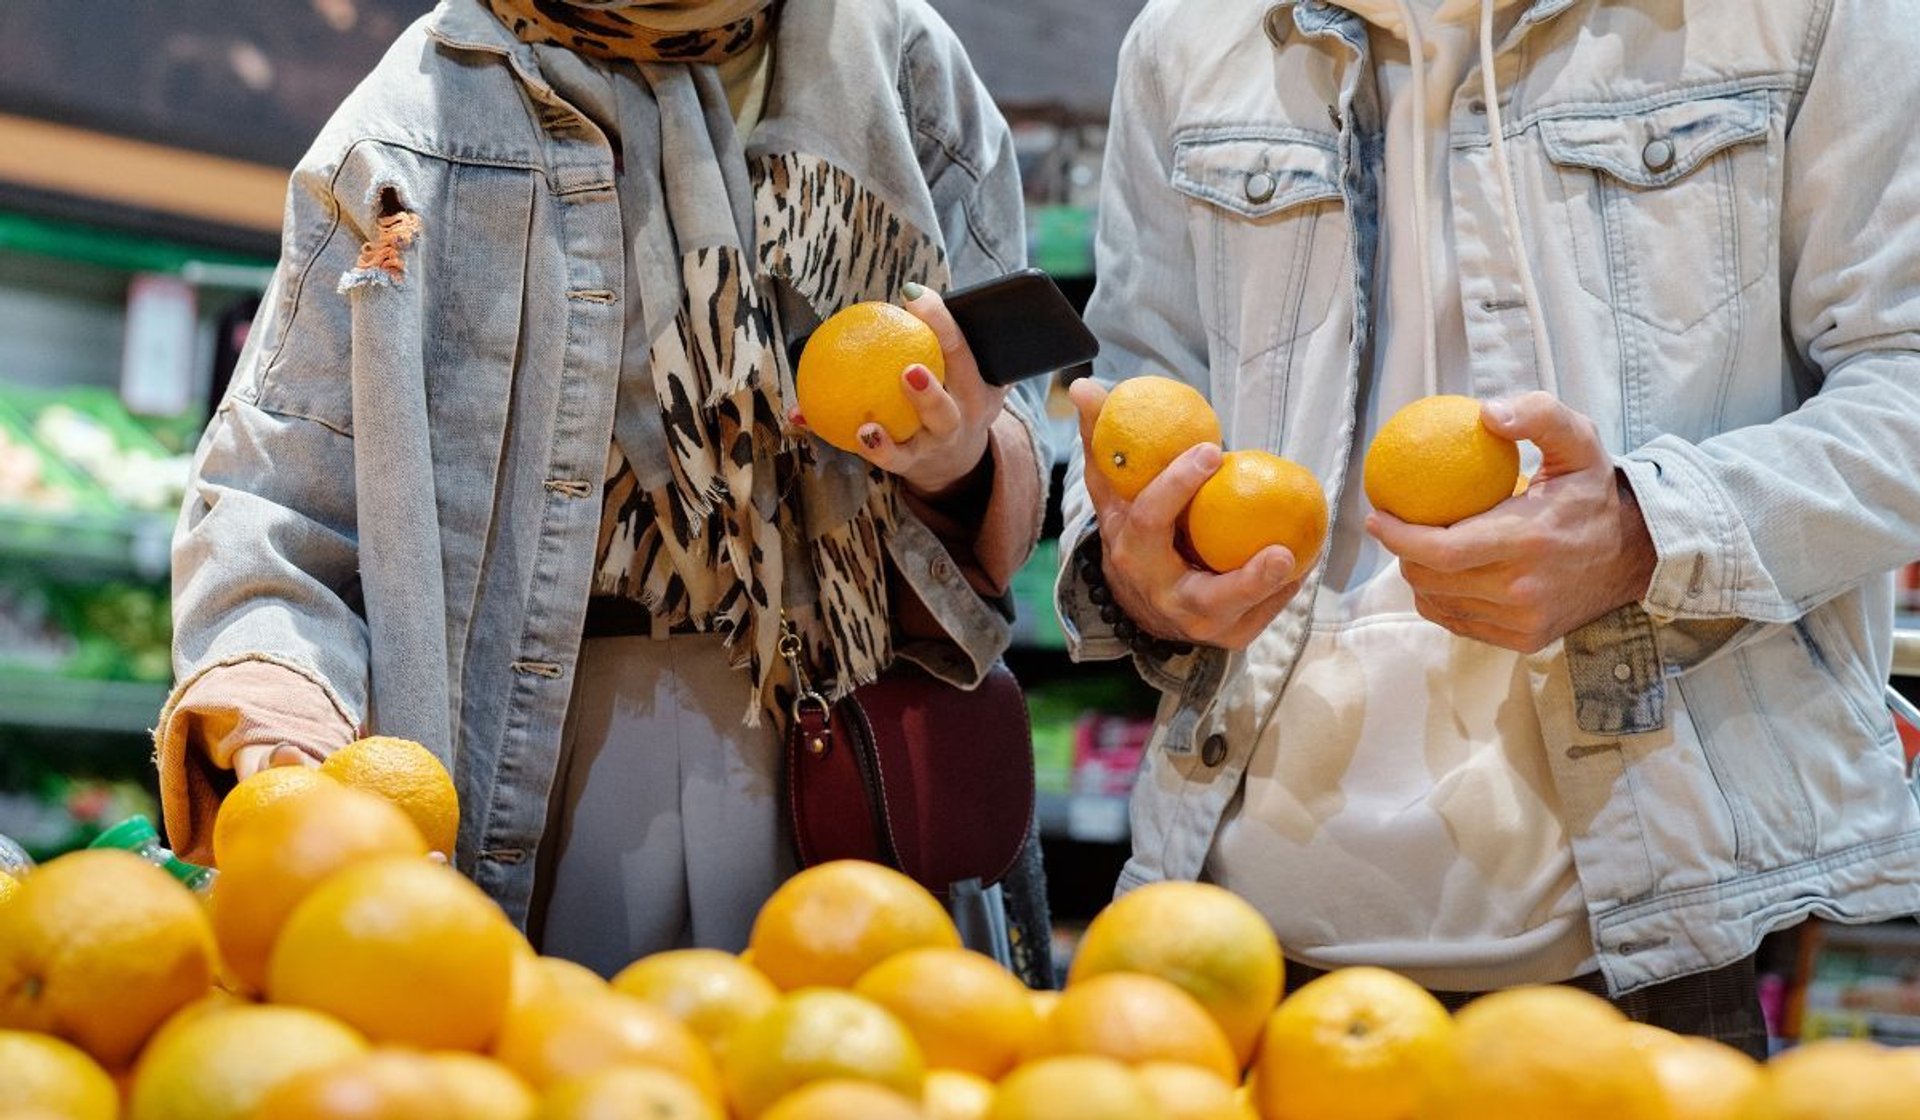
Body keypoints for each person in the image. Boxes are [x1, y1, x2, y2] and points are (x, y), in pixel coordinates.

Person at [1060, 0, 1920, 1053]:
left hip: (1647, 952)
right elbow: (1132, 391)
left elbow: (1904, 386)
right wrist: (1138, 570)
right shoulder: (1191, 38)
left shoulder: (1806, 16)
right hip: (1233, 941)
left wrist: (1645, 530)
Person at [154, 0, 1055, 982]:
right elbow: (278, 496)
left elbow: (1012, 420)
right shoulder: (418, 122)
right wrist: (281, 721)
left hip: (852, 748)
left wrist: (955, 459)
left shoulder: (898, 64)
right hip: (540, 753)